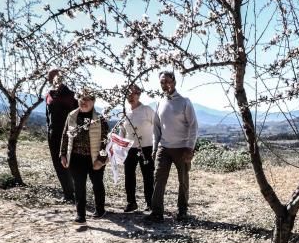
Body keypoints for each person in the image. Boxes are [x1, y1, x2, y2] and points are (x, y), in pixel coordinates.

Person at [149, 70, 198, 222]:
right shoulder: (159, 102)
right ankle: (157, 213)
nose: (165, 84)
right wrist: (154, 147)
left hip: (182, 148)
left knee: (183, 180)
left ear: (174, 82)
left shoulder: (185, 102)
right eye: (162, 82)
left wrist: (190, 147)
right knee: (158, 179)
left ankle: (182, 211)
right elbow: (156, 127)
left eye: (168, 81)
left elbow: (193, 125)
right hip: (164, 147)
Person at [59, 88, 109, 225]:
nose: (84, 101)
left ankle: (100, 210)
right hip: (76, 157)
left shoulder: (100, 119)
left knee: (97, 183)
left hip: (94, 158)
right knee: (79, 186)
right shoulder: (72, 116)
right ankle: (80, 215)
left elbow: (106, 142)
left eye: (87, 99)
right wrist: (63, 154)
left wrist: (101, 160)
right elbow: (65, 136)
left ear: (93, 101)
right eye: (81, 98)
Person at [117, 84, 160, 212]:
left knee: (148, 176)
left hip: (146, 147)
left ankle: (150, 203)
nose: (131, 97)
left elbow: (157, 127)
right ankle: (131, 202)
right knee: (129, 175)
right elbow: (122, 131)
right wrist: (120, 147)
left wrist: (156, 145)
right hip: (130, 149)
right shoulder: (125, 113)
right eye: (128, 94)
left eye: (133, 93)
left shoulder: (147, 110)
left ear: (139, 94)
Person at [45, 69, 78, 202]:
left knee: (69, 162)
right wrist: (49, 129)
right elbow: (48, 115)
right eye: (51, 77)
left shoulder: (70, 95)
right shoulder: (48, 95)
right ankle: (68, 194)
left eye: (56, 76)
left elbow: (77, 114)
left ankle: (77, 192)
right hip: (53, 133)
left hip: (68, 134)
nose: (53, 79)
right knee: (58, 164)